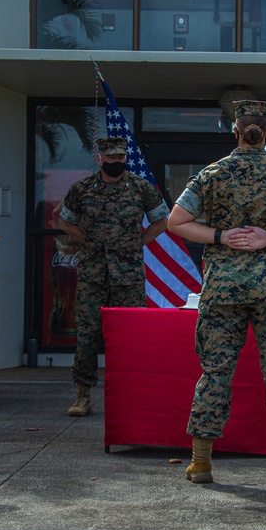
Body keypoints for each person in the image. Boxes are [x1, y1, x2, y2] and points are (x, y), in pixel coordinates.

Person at [167, 100, 266, 486]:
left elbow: (176, 222)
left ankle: (201, 462)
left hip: (223, 288)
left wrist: (221, 235)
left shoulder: (212, 174)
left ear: (235, 131)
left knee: (216, 371)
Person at [60, 136, 169, 417]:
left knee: (131, 336)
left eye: (120, 158)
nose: (116, 163)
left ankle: (133, 394)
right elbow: (66, 221)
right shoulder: (82, 189)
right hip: (93, 275)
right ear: (99, 159)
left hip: (128, 275)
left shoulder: (140, 187)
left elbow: (162, 220)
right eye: (110, 159)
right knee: (87, 336)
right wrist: (87, 241)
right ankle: (83, 396)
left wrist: (138, 241)